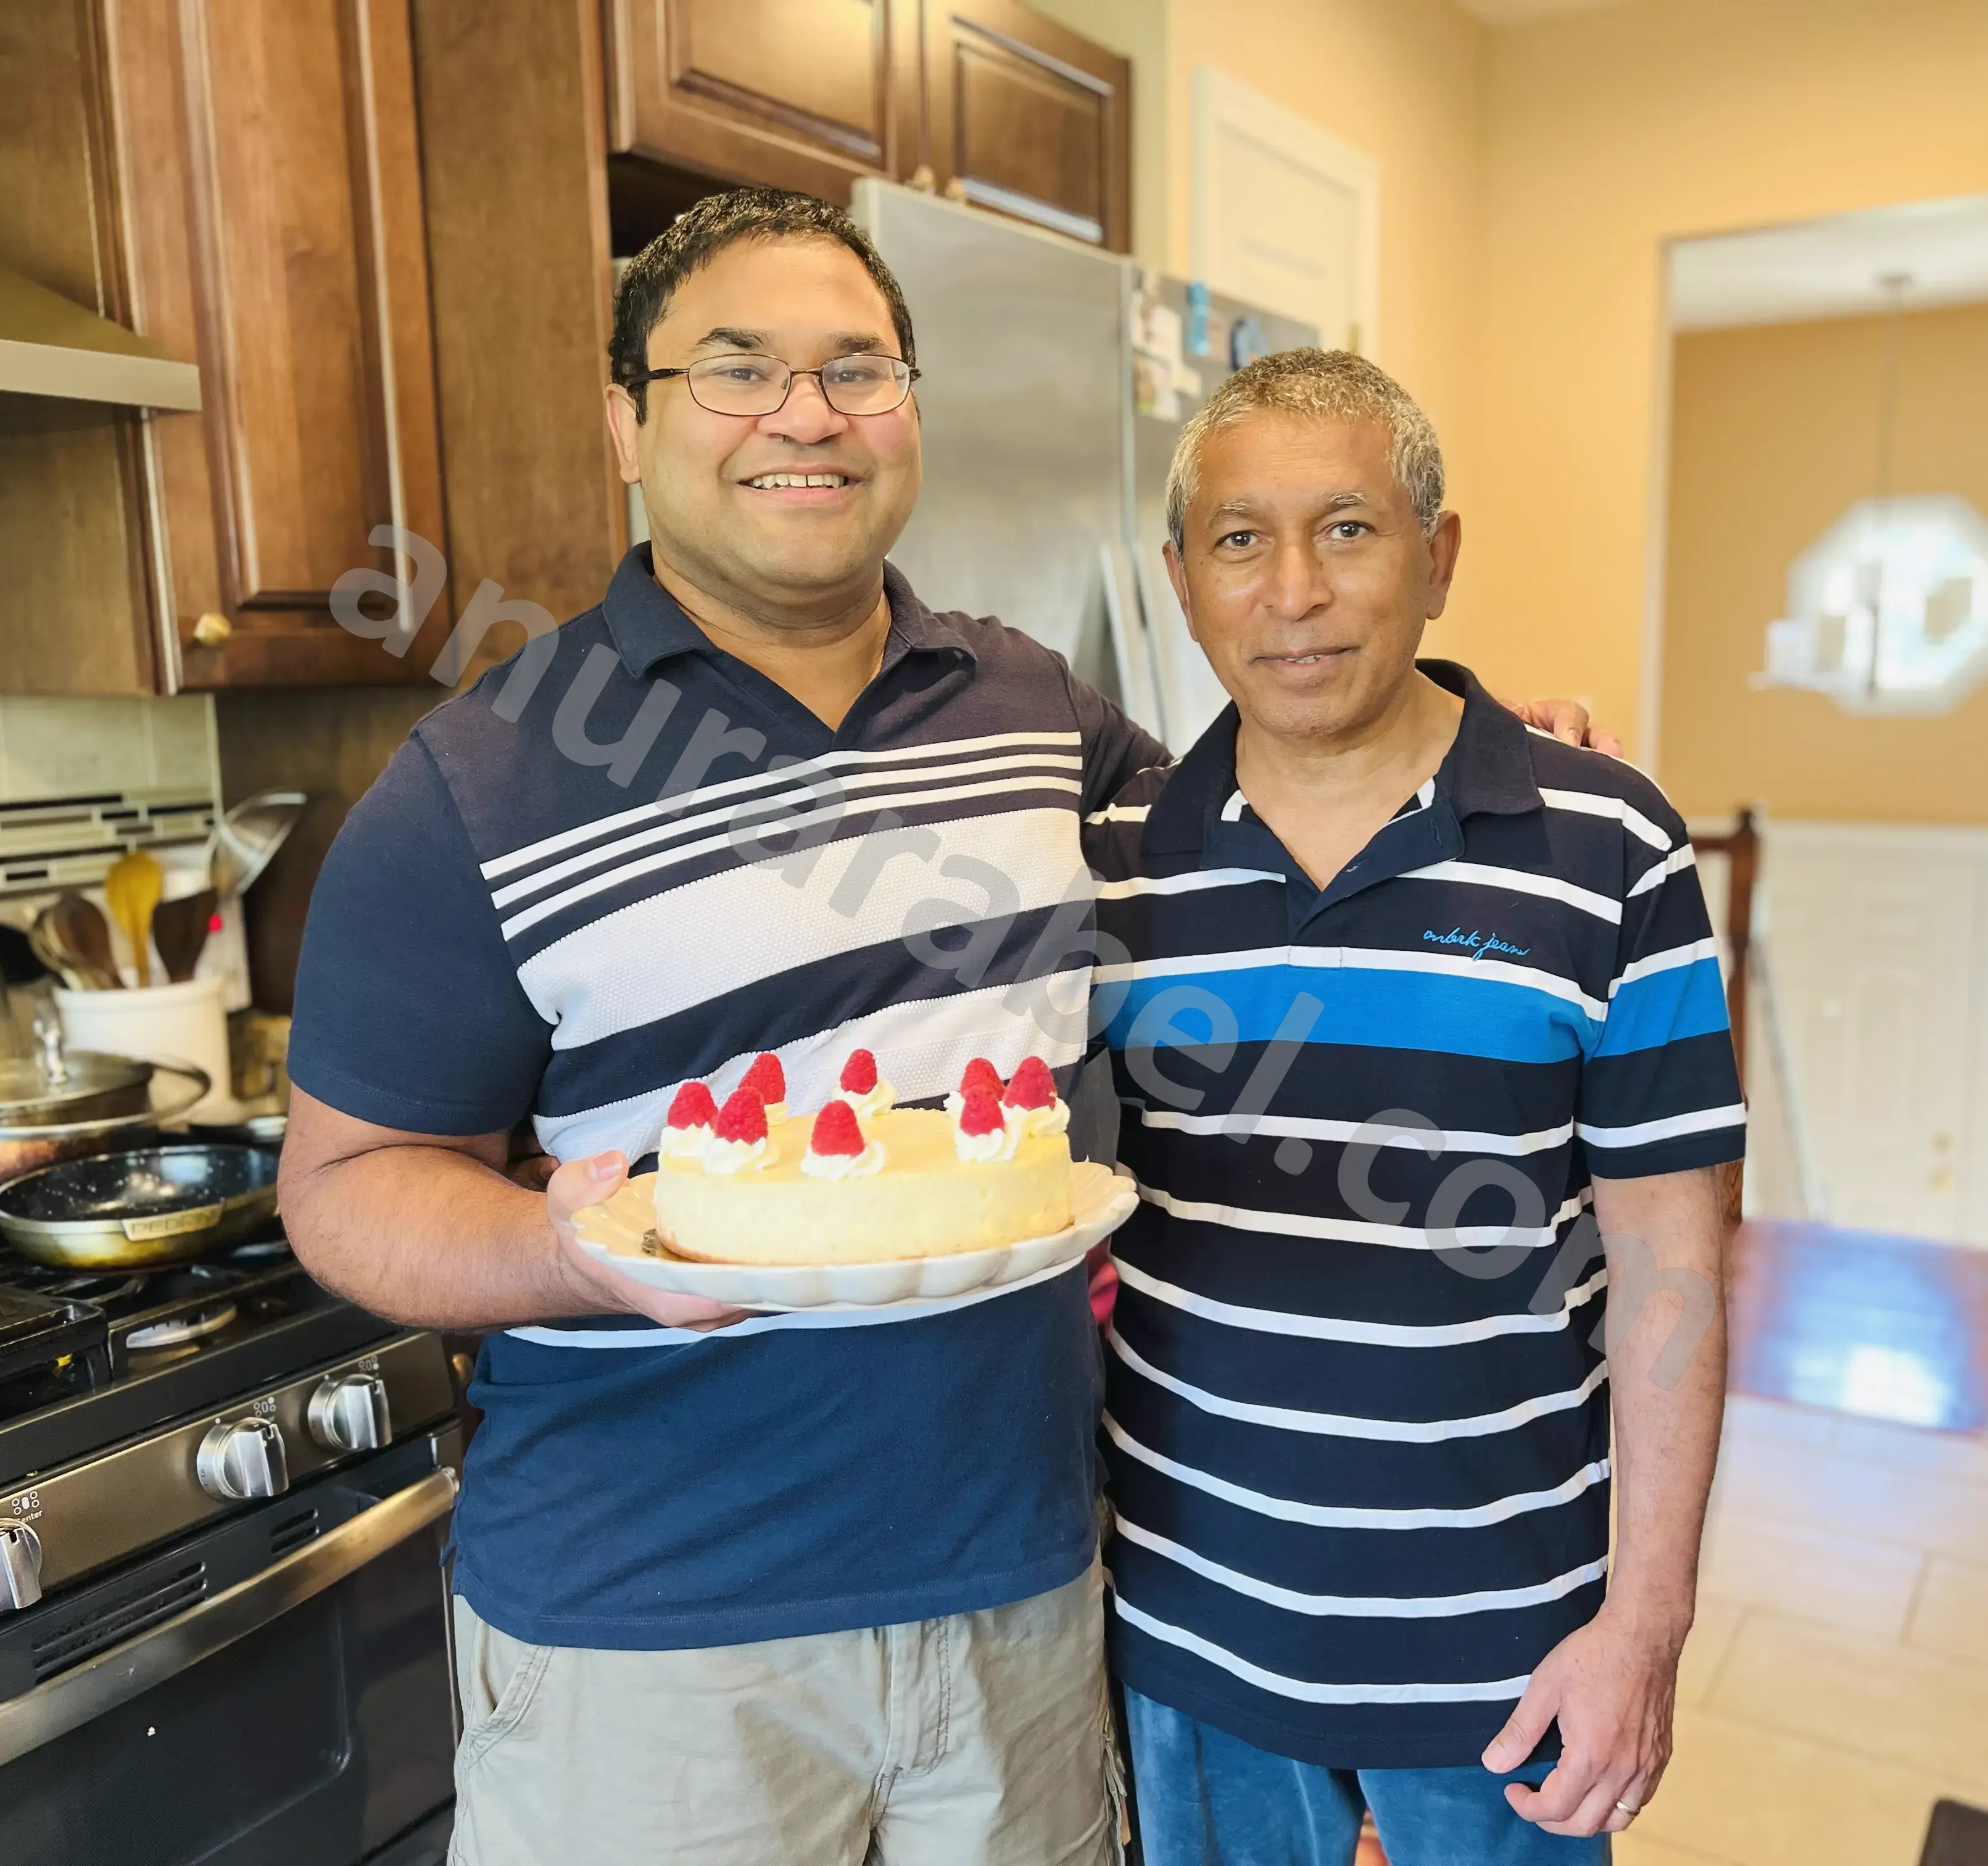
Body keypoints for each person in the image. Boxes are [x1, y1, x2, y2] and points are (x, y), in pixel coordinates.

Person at [280, 186, 1609, 1865]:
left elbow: (1277, 829)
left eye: (860, 368)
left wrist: (1478, 747)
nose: (808, 416)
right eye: (736, 371)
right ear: (628, 420)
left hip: (1029, 1598)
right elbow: (343, 1188)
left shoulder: (1033, 707)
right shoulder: (474, 781)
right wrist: (577, 1257)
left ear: (910, 411)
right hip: (655, 1640)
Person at [1083, 349, 1742, 1866]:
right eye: (1240, 540)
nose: (1294, 591)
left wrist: (1645, 1625)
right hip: (1195, 1639)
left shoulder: (1607, 846)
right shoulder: (1117, 861)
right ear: (1181, 581)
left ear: (1438, 560)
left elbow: (1675, 1267)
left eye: (1351, 529)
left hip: (1504, 1653)